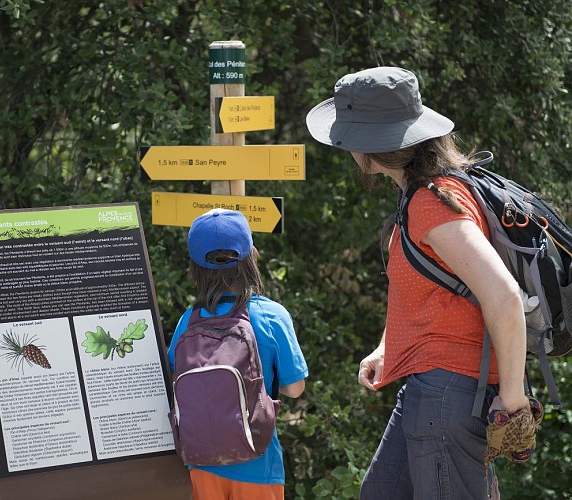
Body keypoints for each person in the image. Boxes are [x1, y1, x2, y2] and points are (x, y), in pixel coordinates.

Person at [305, 67, 530, 498]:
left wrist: (513, 399)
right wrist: (388, 348)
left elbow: (503, 296)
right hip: (431, 388)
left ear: (366, 146)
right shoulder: (427, 194)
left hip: (450, 393)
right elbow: (431, 290)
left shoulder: (432, 204)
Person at [167, 208, 308, 500]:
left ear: (195, 266)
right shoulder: (271, 316)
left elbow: (175, 375)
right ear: (250, 256)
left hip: (201, 463)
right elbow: (295, 389)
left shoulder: (187, 321)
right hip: (258, 462)